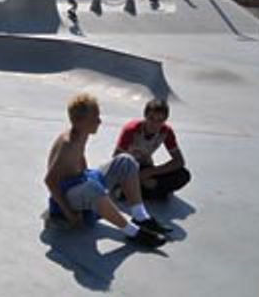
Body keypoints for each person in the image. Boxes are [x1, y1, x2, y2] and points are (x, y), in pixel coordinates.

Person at [45, 93, 169, 248]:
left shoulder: (81, 133)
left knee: (126, 161)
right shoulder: (68, 144)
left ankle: (140, 216)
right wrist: (69, 213)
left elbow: (80, 158)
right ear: (80, 122)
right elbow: (49, 181)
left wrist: (89, 178)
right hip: (66, 198)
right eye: (95, 118)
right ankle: (133, 232)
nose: (99, 121)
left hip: (80, 182)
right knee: (93, 187)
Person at [114, 99, 191, 201]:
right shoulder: (131, 130)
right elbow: (116, 159)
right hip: (129, 168)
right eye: (151, 118)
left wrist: (151, 172)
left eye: (160, 120)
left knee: (183, 175)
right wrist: (137, 176)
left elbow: (179, 161)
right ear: (145, 116)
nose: (154, 124)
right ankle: (148, 191)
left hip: (147, 167)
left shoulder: (166, 132)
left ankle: (138, 191)